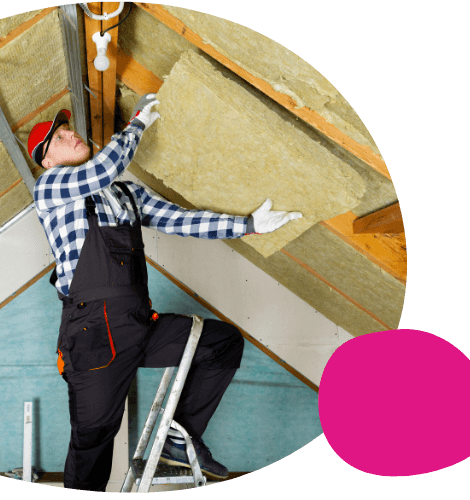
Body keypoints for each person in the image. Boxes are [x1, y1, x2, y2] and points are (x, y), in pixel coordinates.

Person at [28, 94, 302, 491]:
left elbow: (181, 220)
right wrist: (135, 125)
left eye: (69, 128)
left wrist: (247, 225)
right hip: (93, 336)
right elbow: (103, 168)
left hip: (139, 326)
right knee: (93, 442)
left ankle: (179, 436)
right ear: (48, 161)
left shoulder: (125, 194)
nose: (70, 134)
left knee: (222, 344)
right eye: (59, 136)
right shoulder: (51, 187)